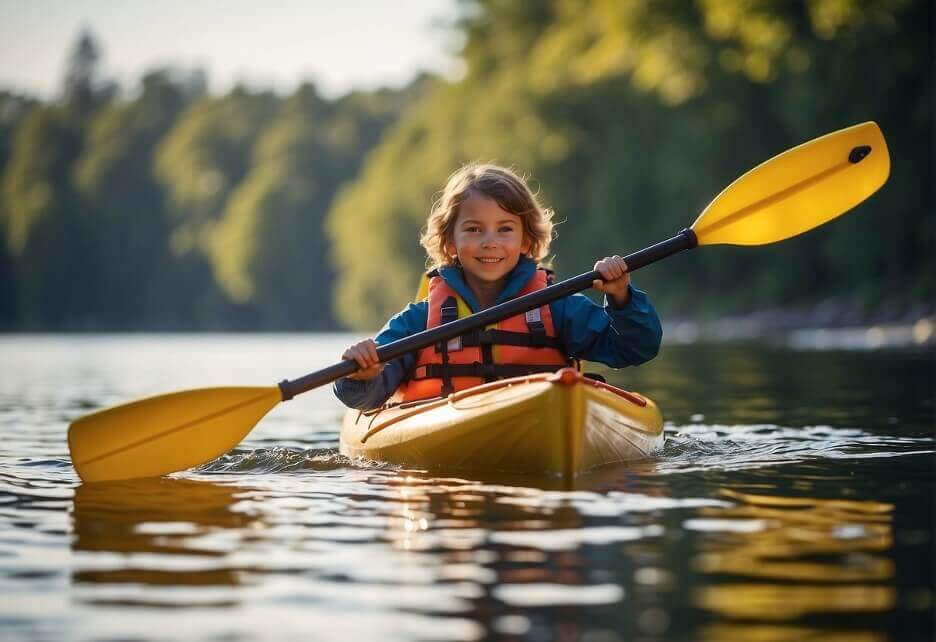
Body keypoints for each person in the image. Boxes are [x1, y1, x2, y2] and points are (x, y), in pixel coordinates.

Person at [334, 164, 662, 410]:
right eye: (475, 229)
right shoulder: (418, 321)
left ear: (526, 240)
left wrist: (621, 298)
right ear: (449, 242)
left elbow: (633, 349)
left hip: (541, 415)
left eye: (505, 229)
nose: (490, 243)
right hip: (450, 431)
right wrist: (361, 374)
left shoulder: (557, 307)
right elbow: (365, 396)